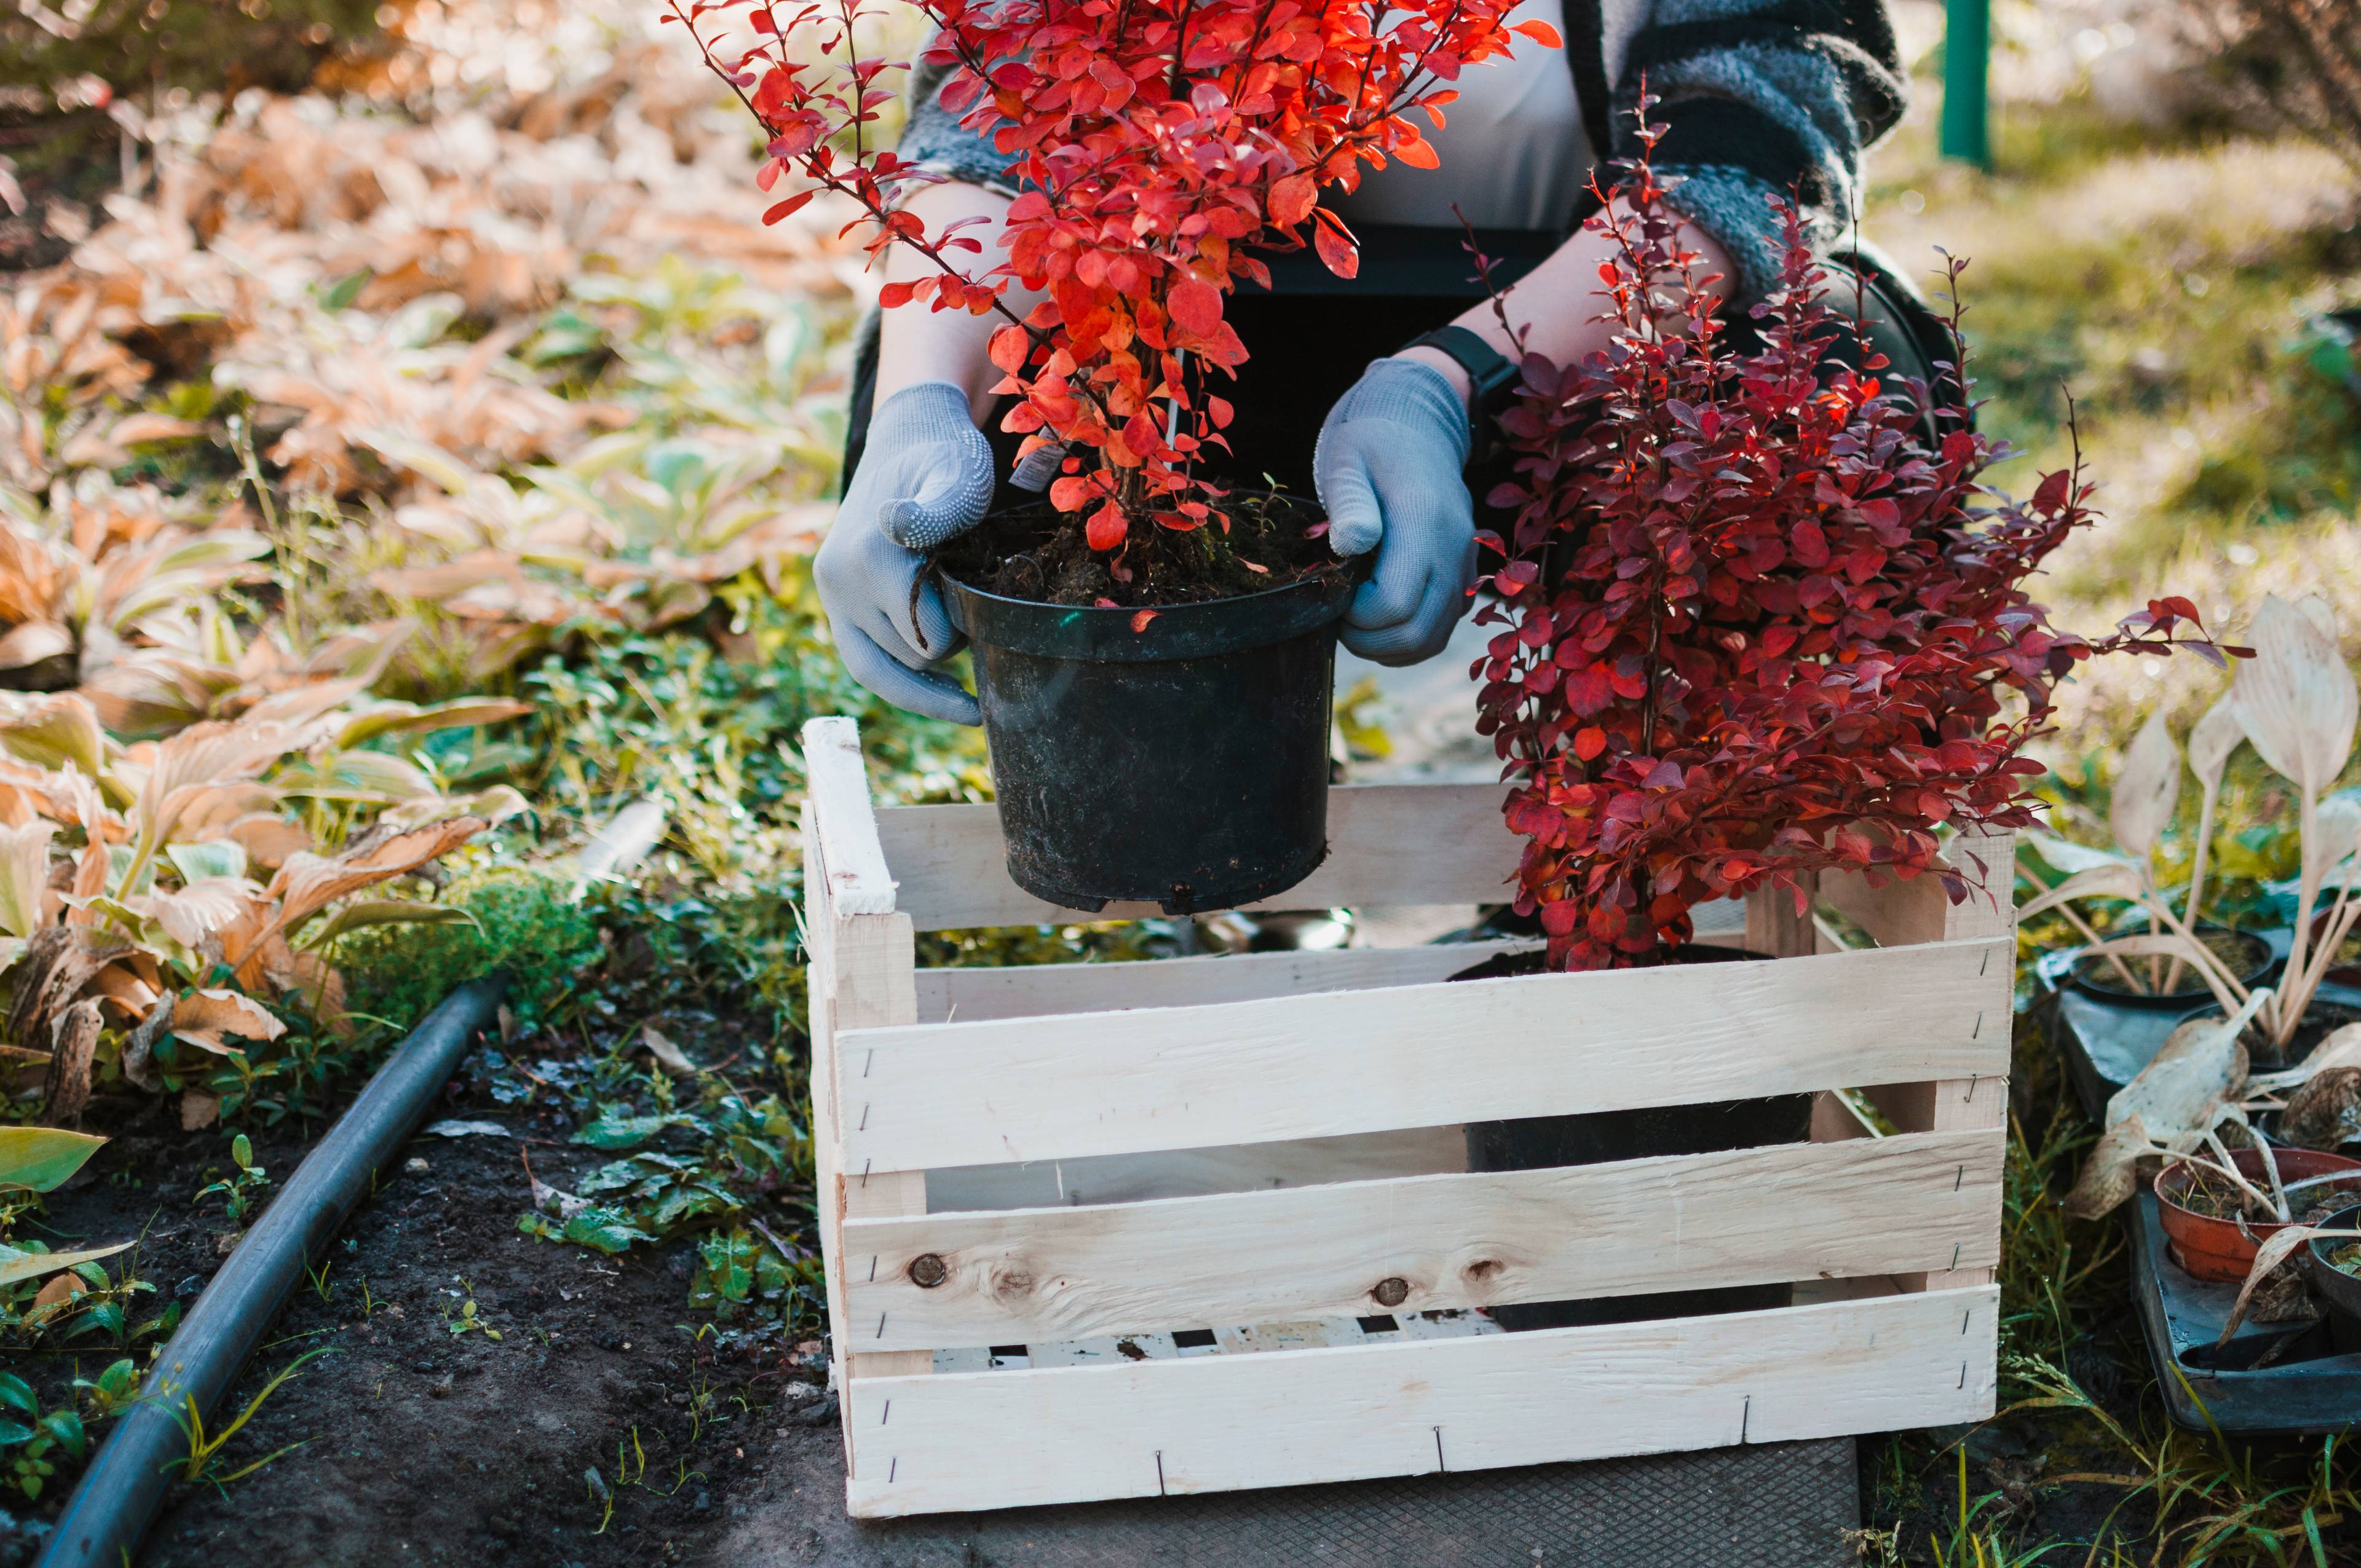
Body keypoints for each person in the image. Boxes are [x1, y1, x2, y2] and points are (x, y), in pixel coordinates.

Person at [816, 0, 1925, 727]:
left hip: (1578, 346)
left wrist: (1447, 382)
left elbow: (1745, 170)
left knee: (1823, 349)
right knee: (979, 361)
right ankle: (1197, 813)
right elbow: (982, 145)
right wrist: (923, 400)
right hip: (1206, 351)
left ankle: (1646, 806)